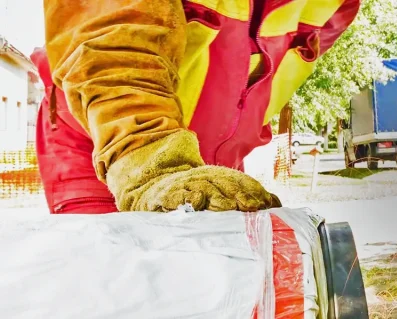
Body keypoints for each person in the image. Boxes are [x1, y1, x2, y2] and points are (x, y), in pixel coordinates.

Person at [34, 0, 359, 214]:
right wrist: (148, 158)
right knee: (112, 286)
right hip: (113, 145)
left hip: (212, 161)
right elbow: (108, 32)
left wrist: (238, 132)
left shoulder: (337, 6)